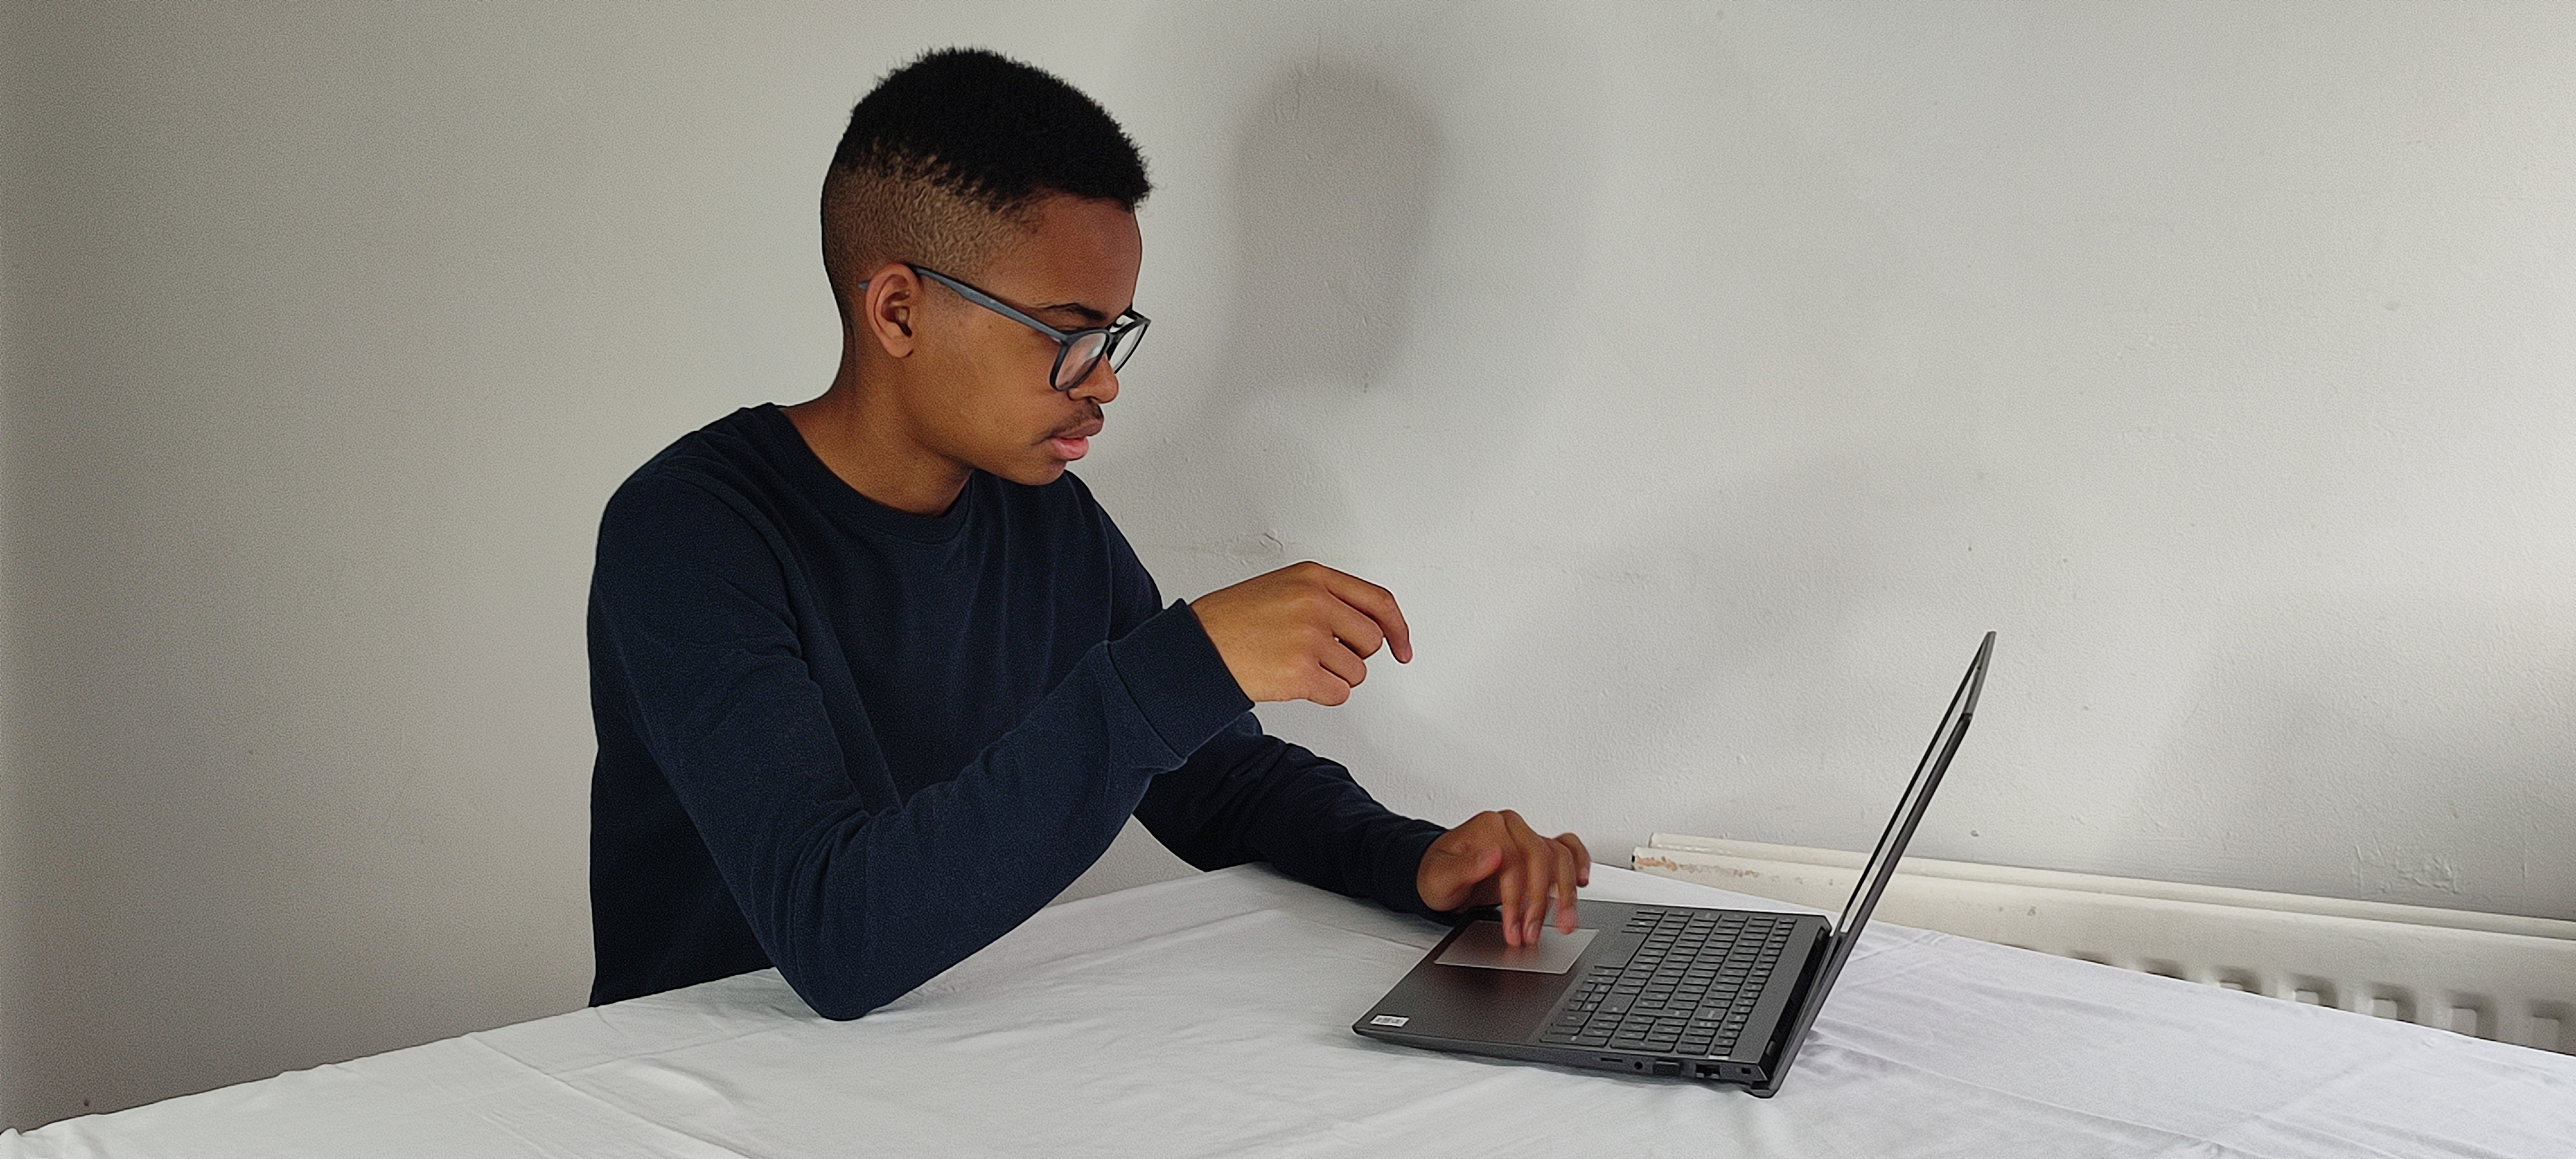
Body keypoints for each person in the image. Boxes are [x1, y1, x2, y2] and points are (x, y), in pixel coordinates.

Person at [585, 47, 1590, 1019]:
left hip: (930, 1061)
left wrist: (1413, 861)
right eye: (1067, 334)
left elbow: (1213, 781)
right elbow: (834, 936)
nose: (1104, 380)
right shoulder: (690, 534)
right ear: (898, 311)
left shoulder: (1039, 513)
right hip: (683, 1090)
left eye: (1113, 335)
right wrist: (1182, 663)